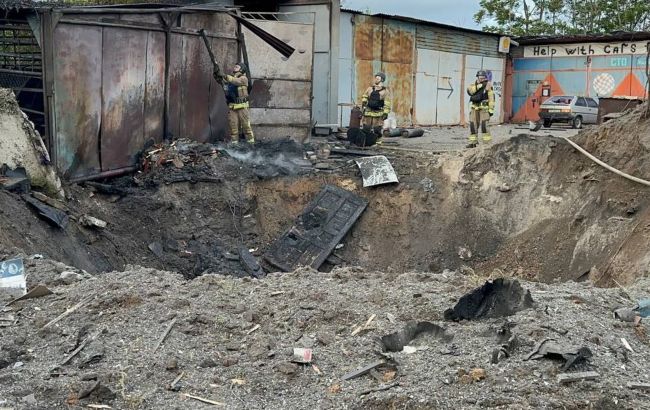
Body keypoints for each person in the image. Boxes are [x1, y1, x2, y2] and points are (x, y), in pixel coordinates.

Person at [220, 62, 254, 144]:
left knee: (246, 127)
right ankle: (234, 145)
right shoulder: (230, 78)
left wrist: (225, 76)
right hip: (232, 107)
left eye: (237, 67)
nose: (234, 67)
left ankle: (251, 144)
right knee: (233, 128)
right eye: (235, 66)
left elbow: (236, 81)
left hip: (242, 107)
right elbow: (222, 82)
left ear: (241, 69)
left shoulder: (243, 78)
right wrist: (218, 75)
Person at [358, 72, 391, 147]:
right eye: (376, 77)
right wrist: (364, 101)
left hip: (378, 112)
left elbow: (387, 102)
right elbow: (365, 95)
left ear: (382, 80)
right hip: (368, 111)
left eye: (378, 78)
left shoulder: (385, 91)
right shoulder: (370, 88)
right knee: (366, 127)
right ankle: (365, 141)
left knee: (377, 129)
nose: (376, 79)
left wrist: (385, 112)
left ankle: (377, 142)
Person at [466, 70, 495, 148]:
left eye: (483, 78)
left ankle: (487, 144)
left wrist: (491, 110)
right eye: (480, 77)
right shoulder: (473, 85)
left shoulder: (488, 86)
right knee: (473, 126)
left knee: (484, 126)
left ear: (485, 78)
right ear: (477, 77)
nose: (482, 79)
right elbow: (470, 92)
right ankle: (472, 143)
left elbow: (491, 98)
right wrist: (480, 86)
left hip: (484, 110)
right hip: (474, 109)